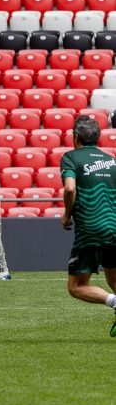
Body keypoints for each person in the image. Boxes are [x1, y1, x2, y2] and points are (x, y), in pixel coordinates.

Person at [60, 116, 116, 337]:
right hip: (114, 226)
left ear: (75, 137)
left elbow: (70, 188)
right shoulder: (111, 160)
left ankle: (113, 302)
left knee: (76, 286)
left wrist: (66, 214)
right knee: (113, 279)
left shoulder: (71, 158)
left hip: (90, 230)